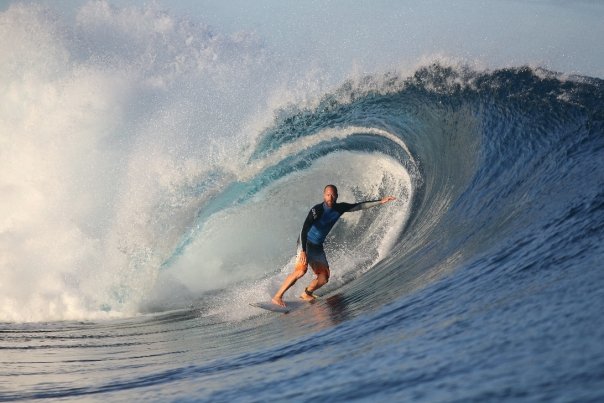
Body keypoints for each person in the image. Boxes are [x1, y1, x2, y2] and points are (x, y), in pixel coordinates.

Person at [272, 184, 396, 307]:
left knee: (324, 278)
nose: (330, 197)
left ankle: (307, 293)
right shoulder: (317, 210)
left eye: (332, 195)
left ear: (336, 196)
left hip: (317, 246)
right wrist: (303, 251)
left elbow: (359, 206)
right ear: (324, 195)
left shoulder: (340, 208)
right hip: (305, 242)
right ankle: (277, 296)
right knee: (301, 271)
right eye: (327, 195)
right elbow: (304, 230)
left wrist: (380, 201)